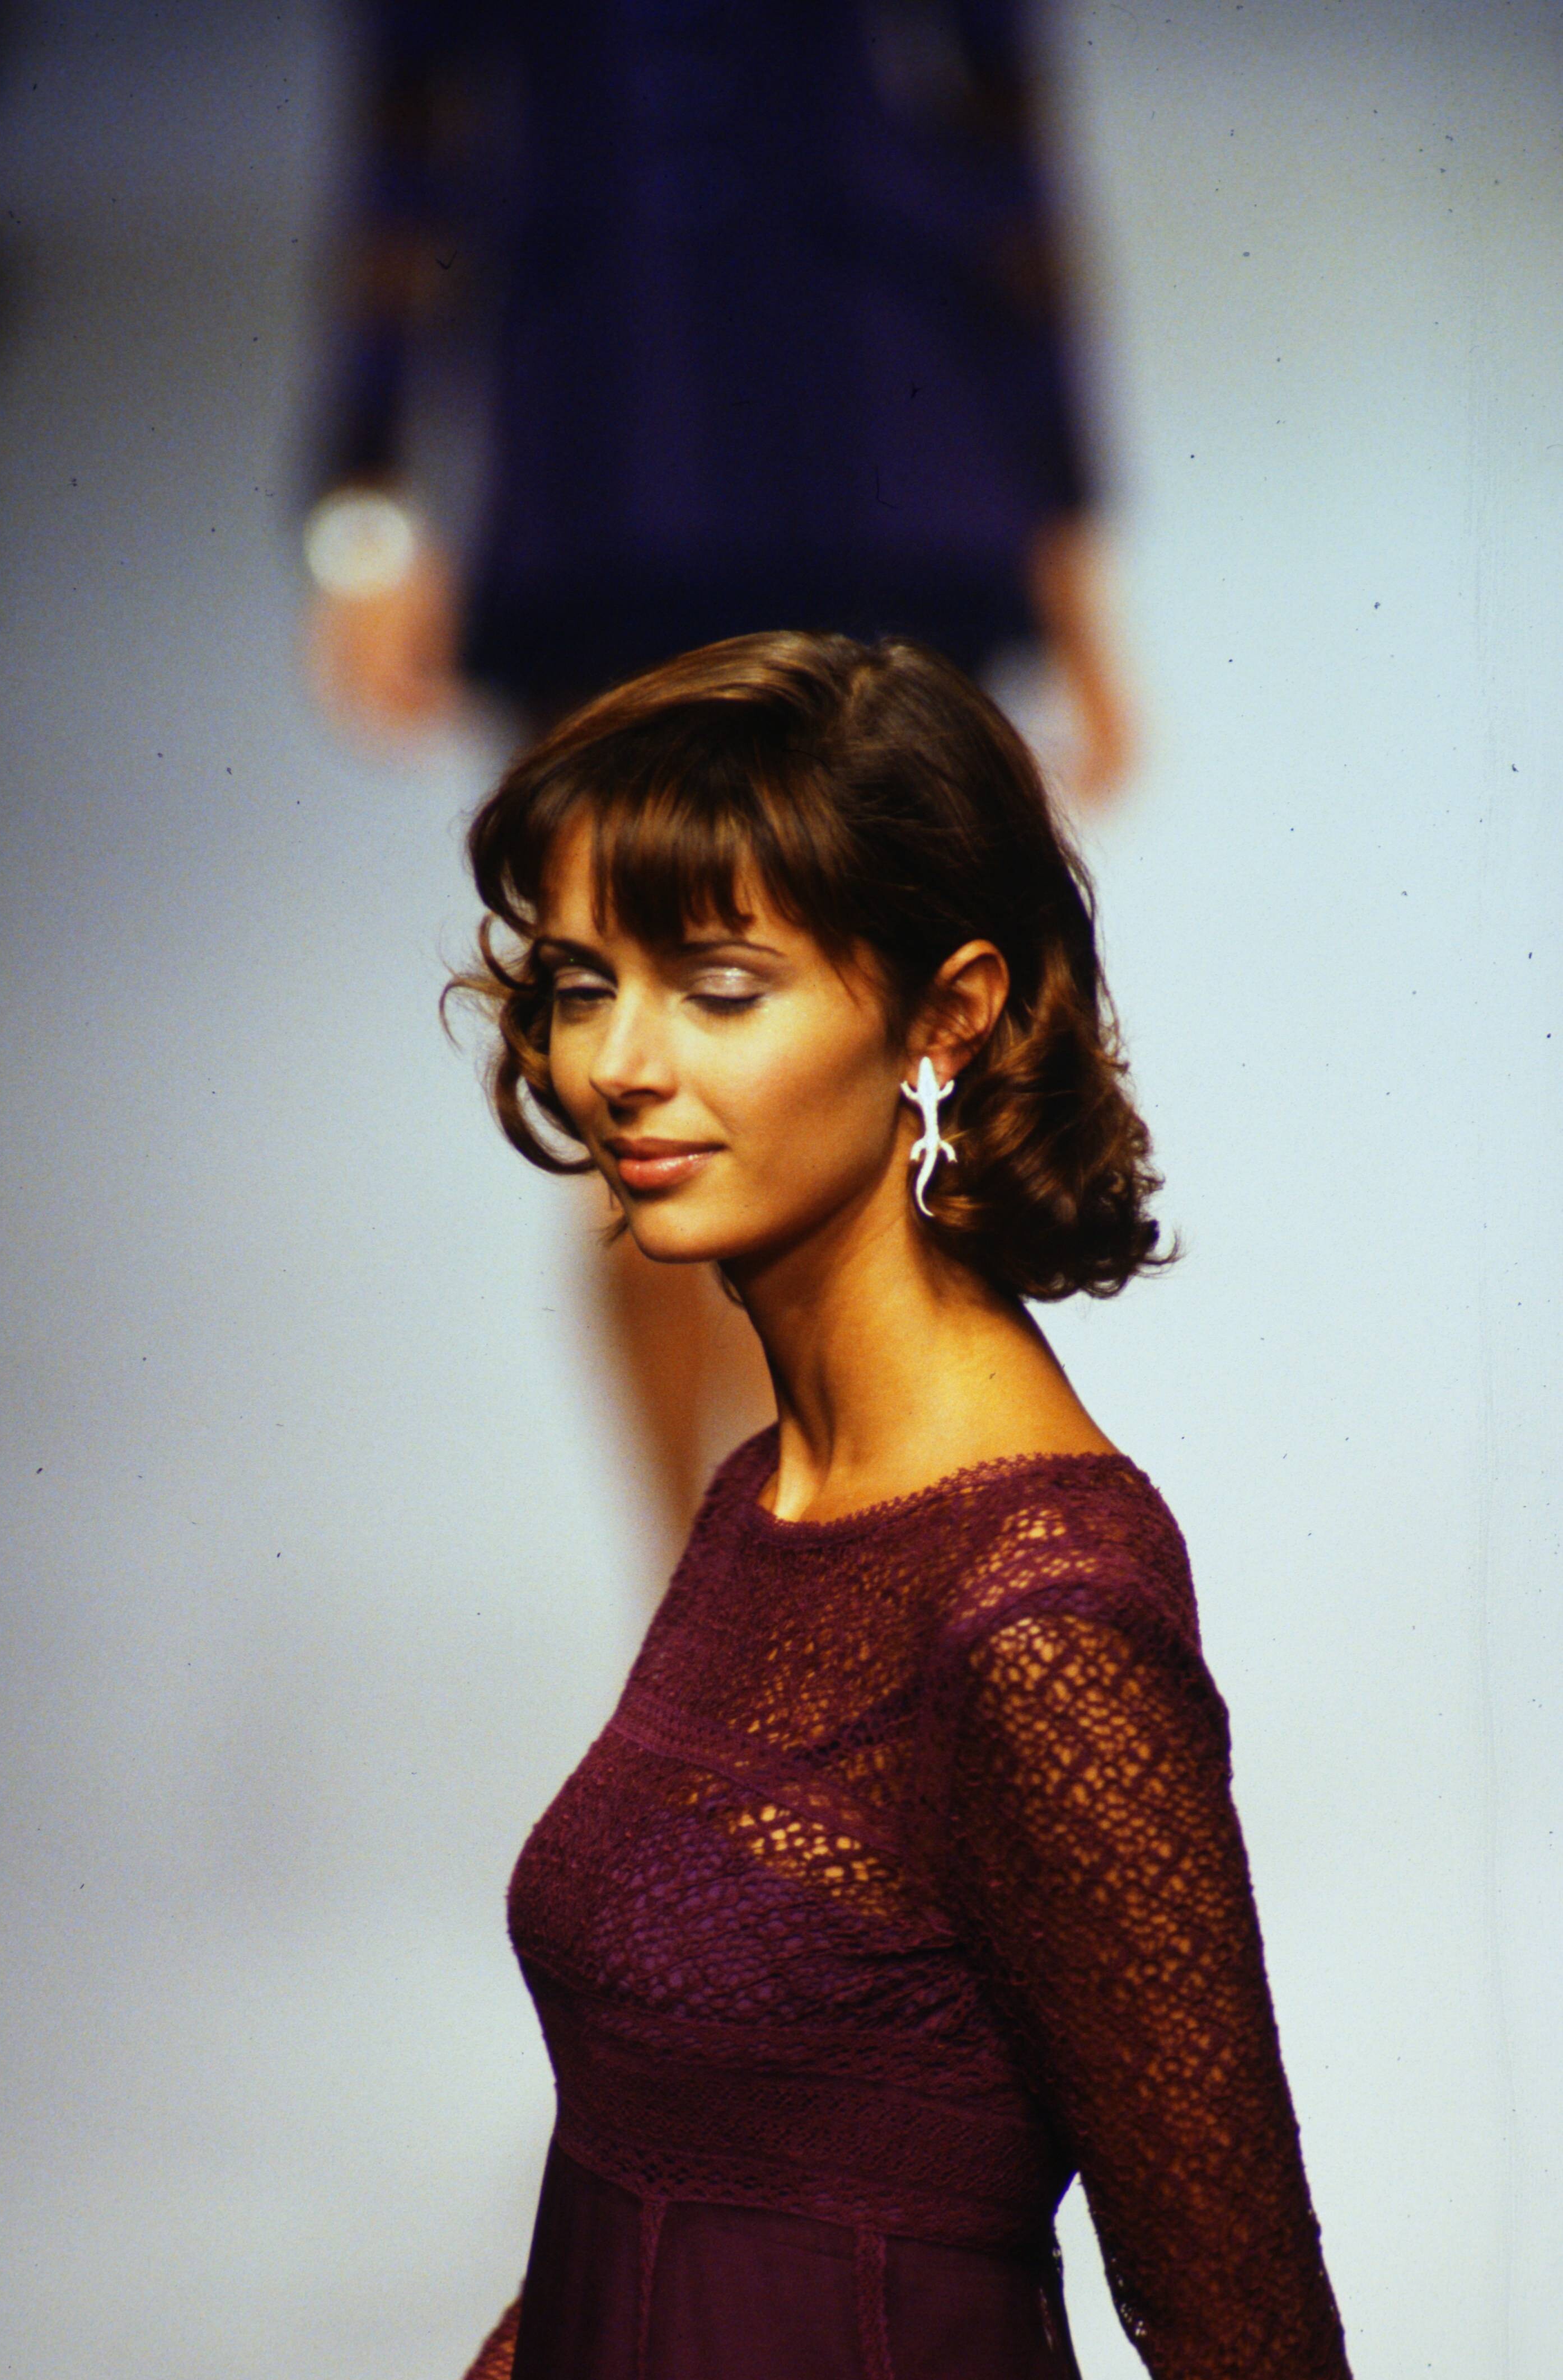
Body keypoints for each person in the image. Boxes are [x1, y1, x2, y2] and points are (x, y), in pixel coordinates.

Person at [345, 631, 1357, 2380]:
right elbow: (648, 2184)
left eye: (720, 988)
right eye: (582, 984)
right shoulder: (768, 1499)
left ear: (945, 1013)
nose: (619, 1064)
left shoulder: (1039, 1618)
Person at [303, 0, 1138, 1543]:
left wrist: (1072, 536)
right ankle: (714, 1606)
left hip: (843, 439)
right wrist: (362, 503)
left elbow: (999, 113)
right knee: (653, 1094)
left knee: (874, 1090)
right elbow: (410, 114)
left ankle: (842, 1577)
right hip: (626, 457)